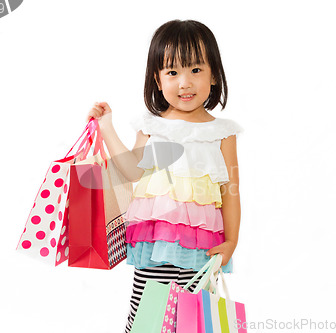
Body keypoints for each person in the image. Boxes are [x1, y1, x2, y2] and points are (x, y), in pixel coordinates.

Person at [86, 19, 244, 333]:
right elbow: (132, 169)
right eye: (172, 72)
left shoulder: (222, 133)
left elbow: (231, 191)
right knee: (146, 315)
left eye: (196, 70)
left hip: (200, 247)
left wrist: (232, 242)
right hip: (153, 244)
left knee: (192, 318)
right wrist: (107, 127)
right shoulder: (151, 126)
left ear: (214, 75)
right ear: (157, 80)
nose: (184, 83)